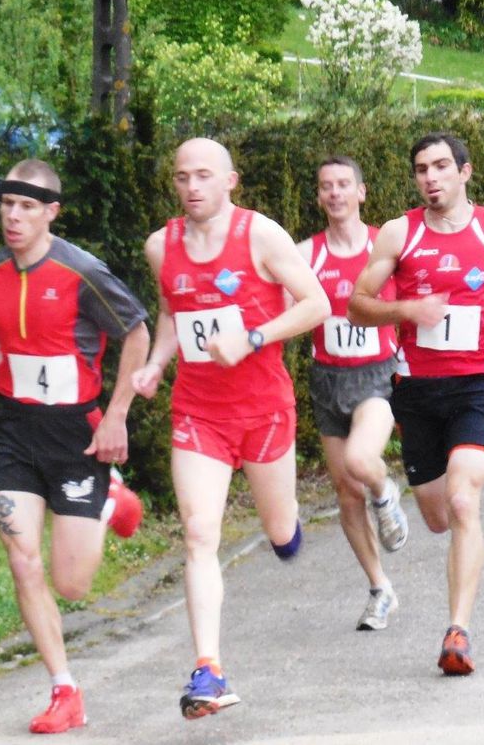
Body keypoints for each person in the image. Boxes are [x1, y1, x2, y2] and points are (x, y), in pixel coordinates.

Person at [0, 159, 150, 734]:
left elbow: (136, 331)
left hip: (75, 434)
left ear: (51, 212)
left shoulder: (81, 273)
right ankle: (65, 689)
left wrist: (117, 416)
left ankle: (109, 504)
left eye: (27, 206)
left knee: (72, 584)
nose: (13, 216)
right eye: (7, 204)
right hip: (13, 430)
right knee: (21, 558)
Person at [131, 138, 331, 720]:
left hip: (264, 411)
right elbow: (174, 312)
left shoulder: (261, 235)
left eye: (203, 176)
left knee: (277, 526)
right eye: (181, 177)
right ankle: (208, 670)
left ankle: (286, 530)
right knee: (199, 534)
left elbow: (316, 303)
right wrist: (155, 364)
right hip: (198, 413)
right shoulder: (159, 246)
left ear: (230, 181)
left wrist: (253, 337)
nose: (192, 187)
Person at [347, 132, 484, 675]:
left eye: (441, 166)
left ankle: (457, 633)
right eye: (421, 169)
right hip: (416, 391)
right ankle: (400, 499)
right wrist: (409, 310)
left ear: (465, 172)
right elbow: (358, 306)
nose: (431, 177)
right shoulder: (399, 233)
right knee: (438, 517)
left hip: (478, 386)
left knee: (465, 503)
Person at [295, 156, 409, 632]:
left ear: (362, 192)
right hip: (328, 378)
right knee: (345, 493)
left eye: (344, 185)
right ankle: (380, 588)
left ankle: (386, 492)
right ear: (319, 196)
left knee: (363, 464)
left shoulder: (386, 247)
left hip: (376, 376)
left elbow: (412, 301)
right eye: (326, 186)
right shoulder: (306, 254)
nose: (335, 193)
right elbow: (281, 304)